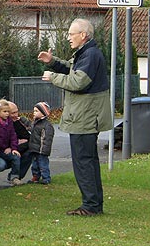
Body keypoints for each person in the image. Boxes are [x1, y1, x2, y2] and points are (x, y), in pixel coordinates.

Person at [38, 18, 112, 217]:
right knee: (88, 161)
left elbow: (79, 81)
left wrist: (52, 77)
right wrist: (52, 62)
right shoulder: (87, 53)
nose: (68, 37)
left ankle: (90, 206)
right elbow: (72, 69)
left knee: (84, 161)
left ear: (83, 35)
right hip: (85, 115)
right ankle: (94, 203)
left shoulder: (90, 54)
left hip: (85, 117)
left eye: (72, 34)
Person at [28, 102, 55, 185]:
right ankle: (35, 176)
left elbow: (47, 139)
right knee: (35, 165)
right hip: (34, 149)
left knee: (43, 165)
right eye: (34, 111)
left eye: (36, 111)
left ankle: (46, 178)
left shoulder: (47, 125)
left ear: (43, 113)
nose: (34, 113)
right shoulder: (35, 123)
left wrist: (44, 150)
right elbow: (30, 129)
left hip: (41, 150)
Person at [8, 102, 33, 180]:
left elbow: (28, 138)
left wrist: (16, 123)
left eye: (17, 112)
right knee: (0, 164)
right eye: (13, 113)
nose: (16, 115)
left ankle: (16, 177)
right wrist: (16, 142)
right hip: (3, 151)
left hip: (15, 148)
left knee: (30, 150)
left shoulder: (17, 121)